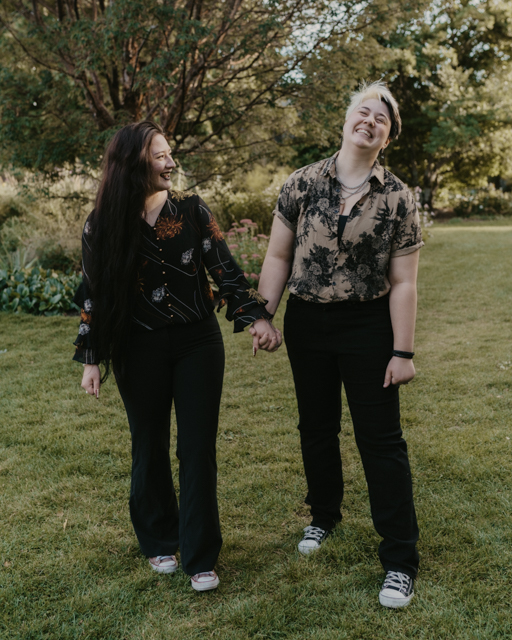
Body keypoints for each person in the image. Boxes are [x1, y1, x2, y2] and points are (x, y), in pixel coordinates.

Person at [73, 121, 278, 591]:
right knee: (148, 444)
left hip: (196, 344)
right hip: (135, 347)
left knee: (196, 447)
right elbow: (95, 294)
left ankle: (201, 555)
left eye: (170, 154)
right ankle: (160, 540)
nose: (170, 162)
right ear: (131, 163)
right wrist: (92, 359)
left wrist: (257, 318)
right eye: (160, 155)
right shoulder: (101, 223)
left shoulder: (191, 210)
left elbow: (224, 268)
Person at [250, 81, 423, 608]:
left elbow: (405, 283)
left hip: (369, 326)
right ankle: (323, 516)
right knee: (317, 428)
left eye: (381, 120)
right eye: (362, 112)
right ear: (346, 119)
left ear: (387, 137)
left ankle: (399, 559)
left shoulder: (398, 197)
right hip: (308, 324)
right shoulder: (301, 183)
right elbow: (279, 257)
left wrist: (403, 351)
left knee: (381, 440)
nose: (369, 122)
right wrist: (263, 314)